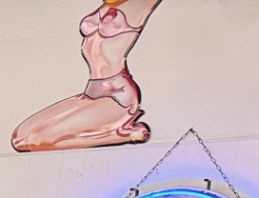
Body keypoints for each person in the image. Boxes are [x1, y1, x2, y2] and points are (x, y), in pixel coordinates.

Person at [13, 0, 164, 152]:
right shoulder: (106, 5)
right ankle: (115, 132)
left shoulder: (139, 3)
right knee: (19, 138)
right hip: (91, 92)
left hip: (117, 96)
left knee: (40, 140)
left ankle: (123, 136)